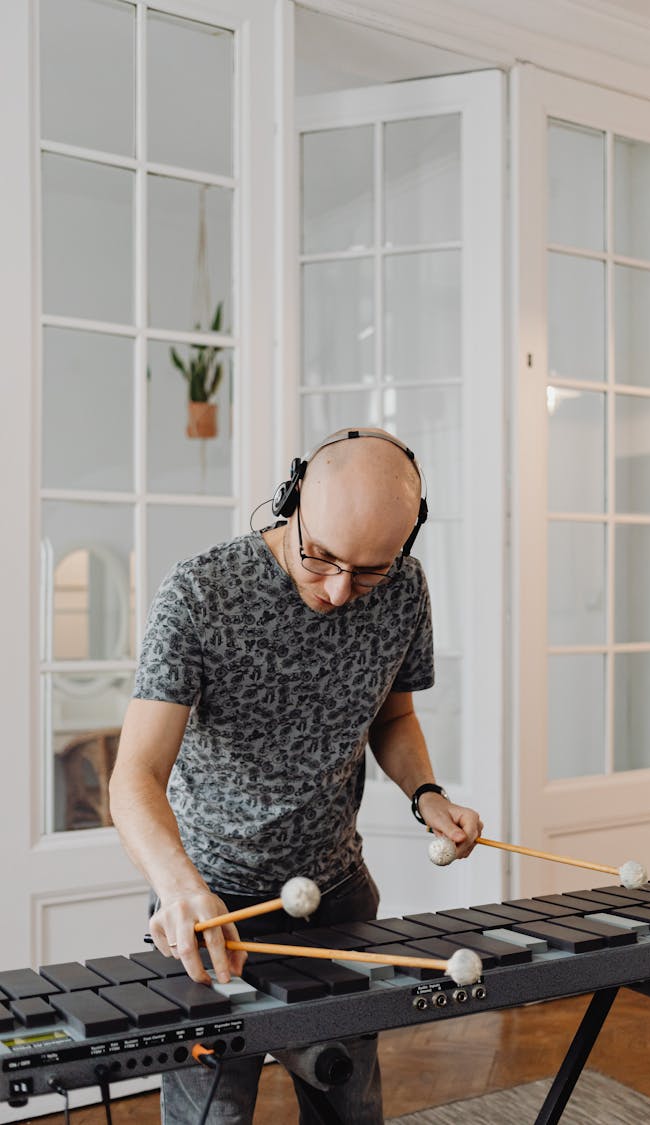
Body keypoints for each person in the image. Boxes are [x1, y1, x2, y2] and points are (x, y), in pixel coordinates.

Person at [109, 427, 483, 1125]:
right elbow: (134, 776)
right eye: (322, 558)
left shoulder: (404, 591)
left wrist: (425, 792)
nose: (342, 590)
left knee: (349, 1109)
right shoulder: (200, 594)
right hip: (214, 910)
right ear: (291, 500)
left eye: (369, 570)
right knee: (209, 1118)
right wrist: (179, 886)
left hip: (336, 899)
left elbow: (393, 718)